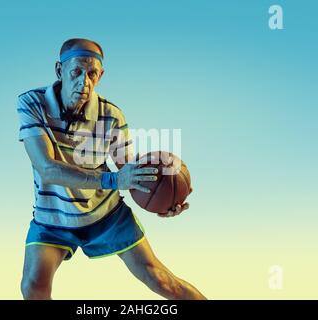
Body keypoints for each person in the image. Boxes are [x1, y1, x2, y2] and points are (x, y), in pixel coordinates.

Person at [17, 38, 206, 300]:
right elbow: (47, 168)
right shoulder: (32, 103)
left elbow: (128, 172)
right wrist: (115, 179)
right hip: (54, 218)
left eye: (92, 73)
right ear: (60, 71)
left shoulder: (111, 115)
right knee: (33, 286)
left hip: (106, 215)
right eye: (76, 72)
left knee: (161, 279)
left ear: (100, 75)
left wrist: (164, 197)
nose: (84, 82)